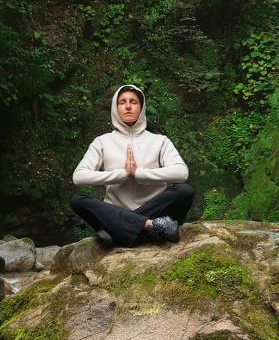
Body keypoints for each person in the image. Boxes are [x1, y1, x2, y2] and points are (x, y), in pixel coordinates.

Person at [70, 84, 194, 246]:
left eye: (133, 102)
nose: (128, 106)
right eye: (122, 102)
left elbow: (181, 172)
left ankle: (116, 232)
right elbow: (78, 176)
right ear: (116, 108)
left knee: (185, 191)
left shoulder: (160, 141)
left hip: (152, 211)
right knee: (78, 200)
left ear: (141, 107)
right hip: (119, 211)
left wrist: (138, 173)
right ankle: (151, 227)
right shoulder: (102, 141)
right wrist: (122, 174)